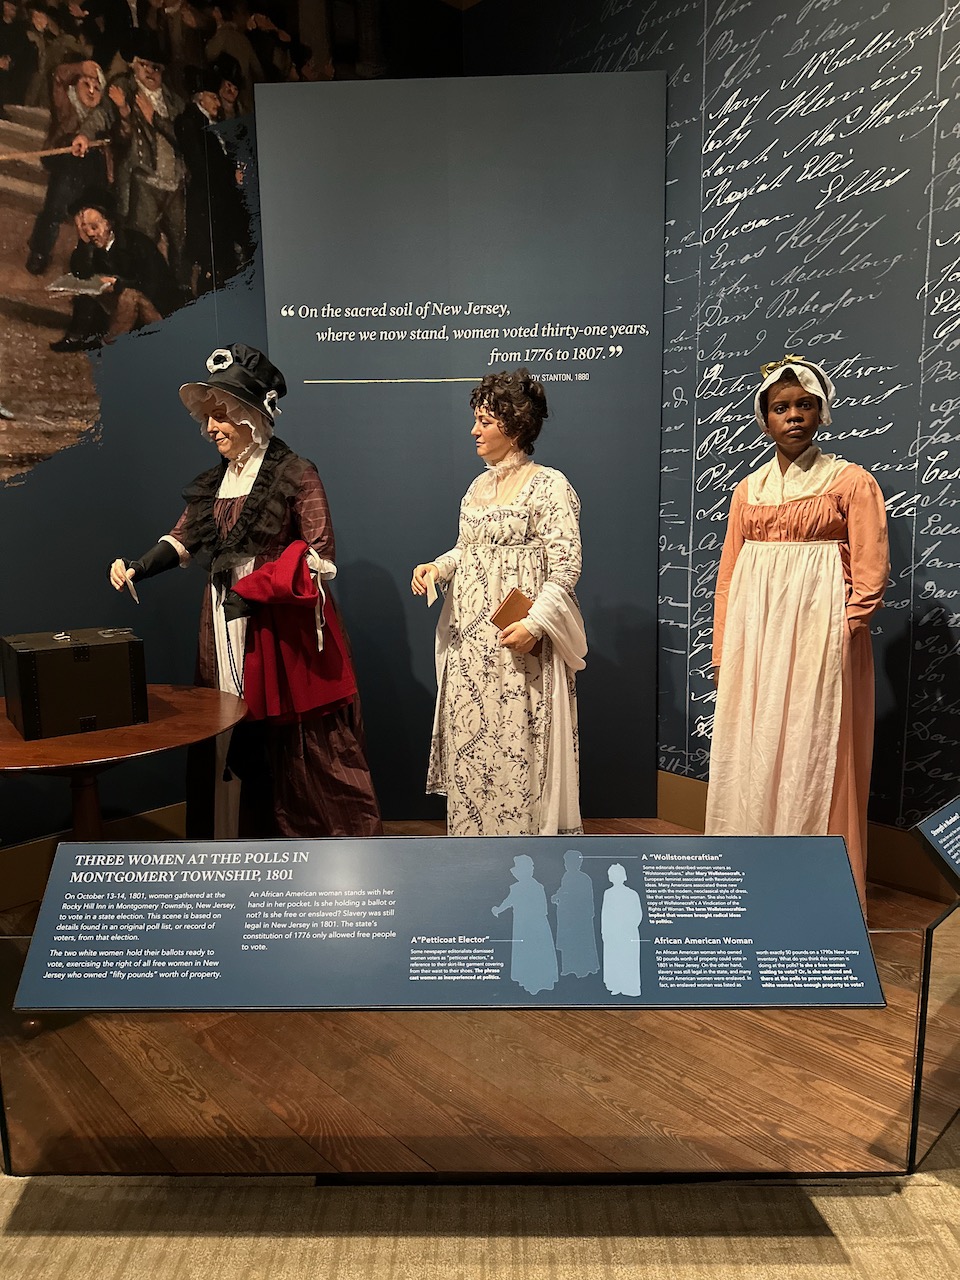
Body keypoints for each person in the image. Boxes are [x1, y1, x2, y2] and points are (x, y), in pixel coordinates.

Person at [108, 342, 383, 840]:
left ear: (252, 416)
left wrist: (258, 586)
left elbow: (320, 559)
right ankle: (238, 840)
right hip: (221, 624)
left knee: (295, 736)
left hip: (278, 627)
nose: (209, 428)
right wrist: (137, 567)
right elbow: (186, 536)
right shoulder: (216, 482)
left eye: (220, 416)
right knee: (229, 722)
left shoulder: (296, 473)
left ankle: (318, 844)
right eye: (208, 418)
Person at [705, 356, 889, 905]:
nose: (792, 416)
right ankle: (748, 870)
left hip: (820, 634)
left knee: (815, 742)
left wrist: (844, 632)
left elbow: (871, 569)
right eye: (780, 407)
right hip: (754, 634)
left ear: (820, 411)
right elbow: (730, 570)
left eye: (803, 405)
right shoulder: (748, 490)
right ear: (764, 419)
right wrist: (723, 647)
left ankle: (813, 884)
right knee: (754, 738)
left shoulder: (850, 482)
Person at [411, 368, 587, 836]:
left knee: (519, 741)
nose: (474, 430)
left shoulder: (549, 485)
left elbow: (566, 566)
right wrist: (438, 567)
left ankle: (522, 848)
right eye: (477, 420)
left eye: (485, 421)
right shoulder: (477, 488)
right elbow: (468, 548)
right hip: (472, 645)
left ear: (515, 424)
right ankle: (474, 848)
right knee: (476, 742)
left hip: (518, 642)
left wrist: (536, 624)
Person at [50, 188, 178, 350]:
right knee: (88, 287)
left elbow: (151, 286)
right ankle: (75, 337)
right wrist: (83, 243)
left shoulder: (137, 244)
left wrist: (119, 283)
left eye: (94, 227)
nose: (89, 232)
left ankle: (109, 345)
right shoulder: (93, 247)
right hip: (125, 313)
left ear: (109, 224)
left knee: (129, 295)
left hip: (158, 312)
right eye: (83, 228)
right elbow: (80, 273)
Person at [26, 57, 108, 276]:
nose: (91, 91)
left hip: (92, 169)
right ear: (75, 85)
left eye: (97, 88)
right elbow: (58, 76)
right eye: (86, 85)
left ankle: (88, 258)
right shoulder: (66, 104)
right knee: (54, 208)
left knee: (96, 209)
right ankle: (40, 252)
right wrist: (81, 68)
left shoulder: (103, 116)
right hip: (66, 163)